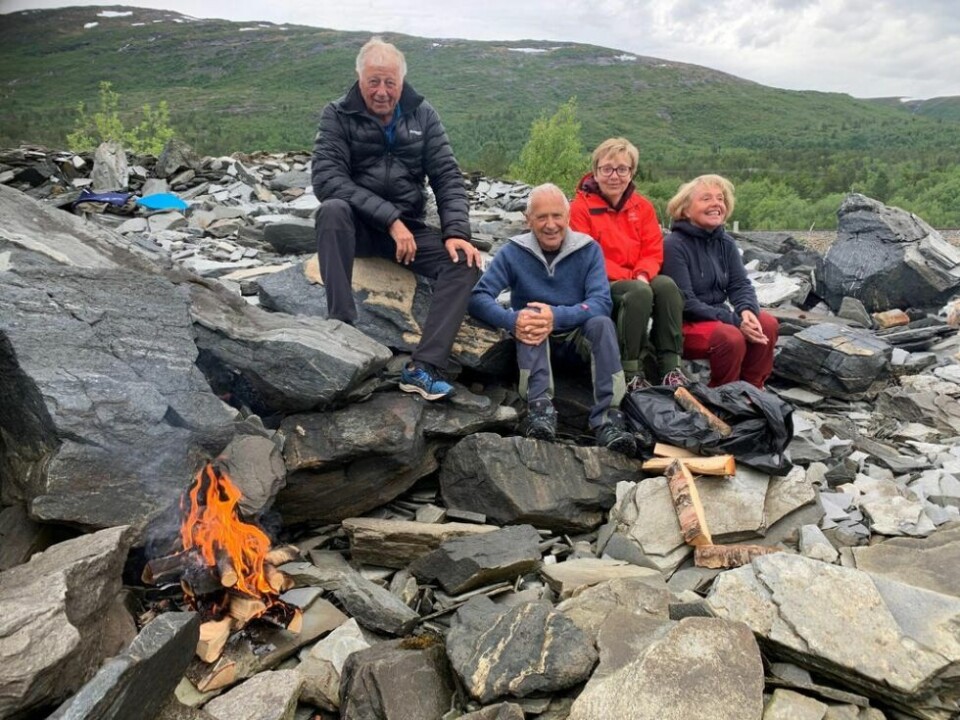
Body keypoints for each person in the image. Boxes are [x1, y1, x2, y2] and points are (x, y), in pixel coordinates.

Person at [312, 37, 482, 401]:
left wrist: (456, 232)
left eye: (390, 82)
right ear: (359, 77)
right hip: (356, 226)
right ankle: (343, 328)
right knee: (331, 210)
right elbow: (327, 179)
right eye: (374, 81)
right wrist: (389, 218)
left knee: (464, 261)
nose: (382, 91)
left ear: (402, 81)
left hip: (409, 232)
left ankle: (423, 367)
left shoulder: (424, 115)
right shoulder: (338, 113)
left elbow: (447, 177)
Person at [469, 183, 637, 456]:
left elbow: (601, 303)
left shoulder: (588, 250)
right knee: (531, 317)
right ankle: (539, 411)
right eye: (541, 217)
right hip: (533, 343)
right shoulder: (513, 252)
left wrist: (556, 316)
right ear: (528, 220)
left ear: (568, 218)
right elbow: (478, 297)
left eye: (557, 216)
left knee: (601, 323)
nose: (550, 225)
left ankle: (609, 419)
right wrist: (512, 320)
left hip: (576, 340)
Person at [570, 137, 686, 391]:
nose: (615, 176)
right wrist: (632, 278)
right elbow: (586, 256)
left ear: (632, 172)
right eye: (607, 169)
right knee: (638, 292)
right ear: (596, 171)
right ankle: (630, 369)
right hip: (600, 283)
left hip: (636, 276)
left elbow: (652, 249)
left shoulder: (642, 206)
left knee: (666, 286)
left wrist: (643, 273)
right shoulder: (581, 208)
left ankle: (670, 366)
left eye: (623, 169)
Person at [661, 174, 779, 388]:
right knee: (731, 336)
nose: (716, 203)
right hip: (687, 324)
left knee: (767, 324)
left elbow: (740, 285)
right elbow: (686, 302)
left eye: (720, 198)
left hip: (718, 317)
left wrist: (747, 311)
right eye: (706, 198)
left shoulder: (726, 243)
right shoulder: (674, 245)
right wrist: (734, 321)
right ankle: (724, 394)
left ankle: (753, 390)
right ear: (686, 209)